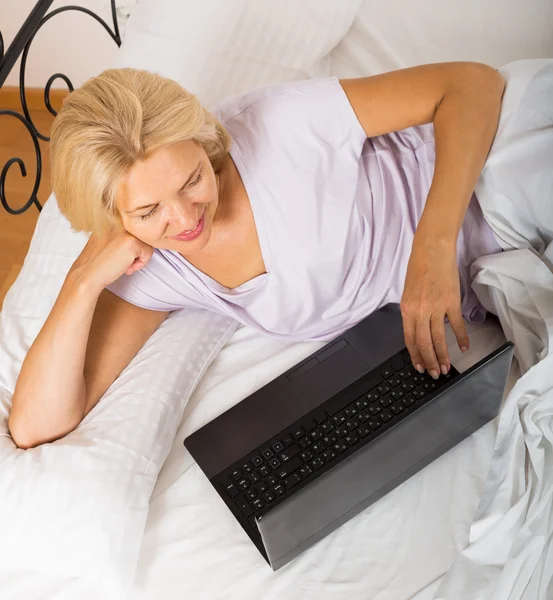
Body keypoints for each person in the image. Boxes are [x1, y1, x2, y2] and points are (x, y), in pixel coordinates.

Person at [8, 63, 508, 449]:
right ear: (113, 220)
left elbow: (472, 85)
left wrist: (432, 247)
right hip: (499, 278)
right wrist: (82, 281)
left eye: (192, 179)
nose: (185, 220)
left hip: (497, 175)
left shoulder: (281, 124)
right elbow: (35, 425)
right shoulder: (150, 270)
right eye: (148, 211)